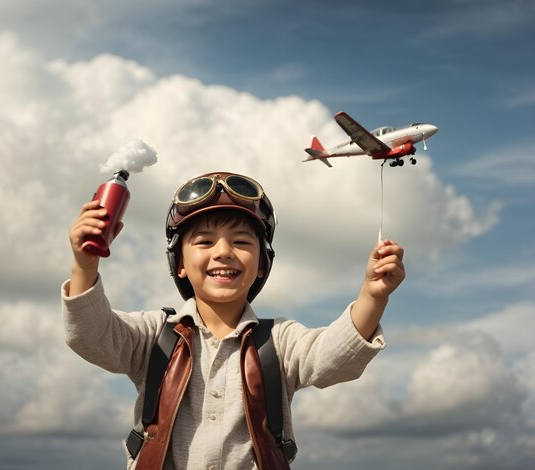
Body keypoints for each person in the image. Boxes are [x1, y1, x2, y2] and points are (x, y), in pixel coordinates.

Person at [62, 171, 405, 469]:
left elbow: (332, 360)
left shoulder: (278, 341)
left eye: (241, 241)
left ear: (261, 265)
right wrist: (84, 265)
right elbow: (92, 336)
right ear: (179, 262)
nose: (223, 251)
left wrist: (373, 296)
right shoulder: (155, 335)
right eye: (204, 241)